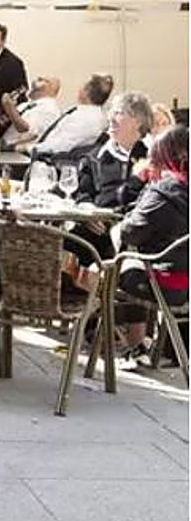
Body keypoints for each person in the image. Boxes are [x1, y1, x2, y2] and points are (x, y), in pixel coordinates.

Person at [72, 92, 152, 359]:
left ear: (137, 122)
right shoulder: (95, 157)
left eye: (119, 113)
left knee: (130, 252)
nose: (111, 118)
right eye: (112, 112)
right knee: (73, 245)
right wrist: (87, 212)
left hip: (136, 235)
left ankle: (130, 339)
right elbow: (83, 195)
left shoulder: (152, 157)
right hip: (96, 234)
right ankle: (106, 327)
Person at [118, 125, 189, 365]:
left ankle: (131, 345)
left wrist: (144, 186)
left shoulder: (164, 192)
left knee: (108, 266)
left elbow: (130, 233)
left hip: (168, 283)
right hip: (185, 282)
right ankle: (139, 345)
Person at [32, 73, 114, 157]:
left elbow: (60, 145)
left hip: (47, 158)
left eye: (82, 86)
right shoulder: (85, 113)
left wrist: (31, 148)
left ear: (86, 91)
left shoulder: (85, 119)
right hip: (44, 150)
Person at [0, 75, 63, 150]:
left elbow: (27, 131)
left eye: (41, 80)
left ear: (51, 88)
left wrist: (9, 107)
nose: (34, 81)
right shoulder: (25, 105)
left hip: (17, 152)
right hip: (0, 146)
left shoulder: (49, 109)